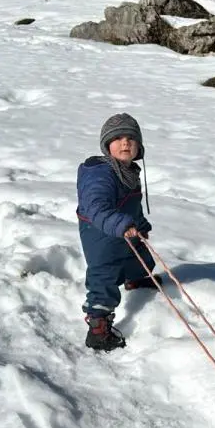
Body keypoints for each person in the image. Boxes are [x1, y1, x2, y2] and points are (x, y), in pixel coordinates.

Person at [76, 113, 156, 351]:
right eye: (118, 138)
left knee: (140, 256)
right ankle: (98, 328)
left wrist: (139, 225)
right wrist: (120, 224)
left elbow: (132, 206)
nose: (125, 143)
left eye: (131, 138)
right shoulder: (100, 174)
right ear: (106, 144)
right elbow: (96, 206)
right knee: (104, 275)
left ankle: (135, 279)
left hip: (123, 229)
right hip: (99, 233)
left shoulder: (130, 172)